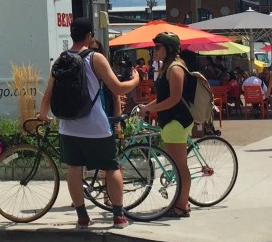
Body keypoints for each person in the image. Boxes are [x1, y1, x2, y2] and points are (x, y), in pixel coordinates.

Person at [38, 19, 141, 229]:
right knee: (111, 167)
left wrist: (42, 114)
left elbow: (48, 93)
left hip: (68, 126)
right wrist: (136, 81)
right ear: (89, 35)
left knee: (74, 169)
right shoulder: (96, 58)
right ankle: (119, 216)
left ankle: (82, 216)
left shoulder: (61, 60)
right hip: (95, 127)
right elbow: (119, 89)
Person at [135, 31, 193, 217]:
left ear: (168, 49)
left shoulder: (175, 68)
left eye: (158, 47)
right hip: (171, 121)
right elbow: (163, 98)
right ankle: (180, 202)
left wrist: (154, 109)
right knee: (177, 164)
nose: (154, 50)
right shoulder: (167, 67)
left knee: (179, 164)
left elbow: (175, 98)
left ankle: (182, 205)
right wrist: (147, 108)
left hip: (177, 121)